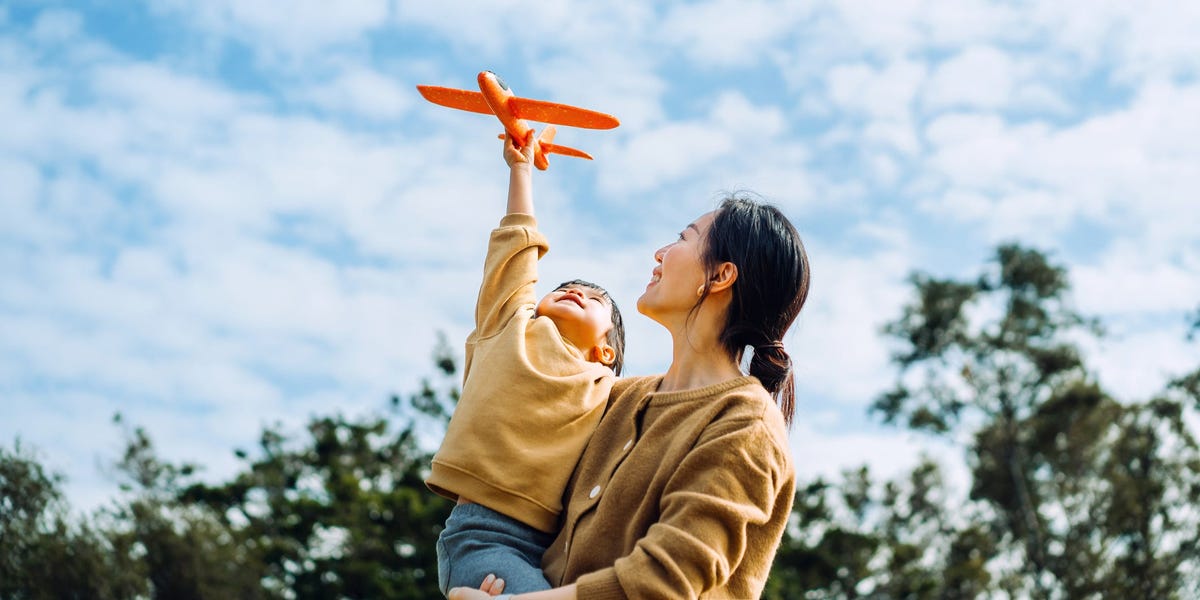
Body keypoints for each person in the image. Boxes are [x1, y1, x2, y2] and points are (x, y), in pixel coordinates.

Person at [450, 191, 811, 599]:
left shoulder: (745, 423)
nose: (660, 253)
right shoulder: (615, 398)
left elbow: (663, 582)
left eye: (683, 238)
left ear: (720, 276)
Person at [427, 130, 627, 597]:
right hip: (481, 537)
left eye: (597, 300)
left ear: (607, 352)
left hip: (556, 549)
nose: (579, 291)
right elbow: (515, 249)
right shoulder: (510, 326)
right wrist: (521, 170)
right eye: (566, 287)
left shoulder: (606, 387)